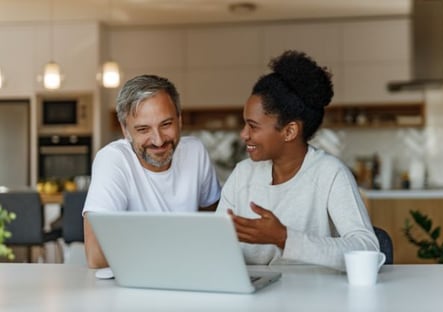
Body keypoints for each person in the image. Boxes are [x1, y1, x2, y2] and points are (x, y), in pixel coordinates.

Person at [216, 50, 379, 271]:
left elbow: (367, 249)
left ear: (289, 131)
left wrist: (284, 238)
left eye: (253, 126)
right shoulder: (242, 174)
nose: (243, 134)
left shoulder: (329, 173)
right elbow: (217, 247)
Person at [83, 74, 221, 268]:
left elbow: (214, 225)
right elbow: (96, 256)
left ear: (179, 120)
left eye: (166, 124)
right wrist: (184, 245)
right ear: (125, 130)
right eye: (143, 129)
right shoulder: (113, 159)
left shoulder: (194, 151)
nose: (158, 140)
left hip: (189, 275)